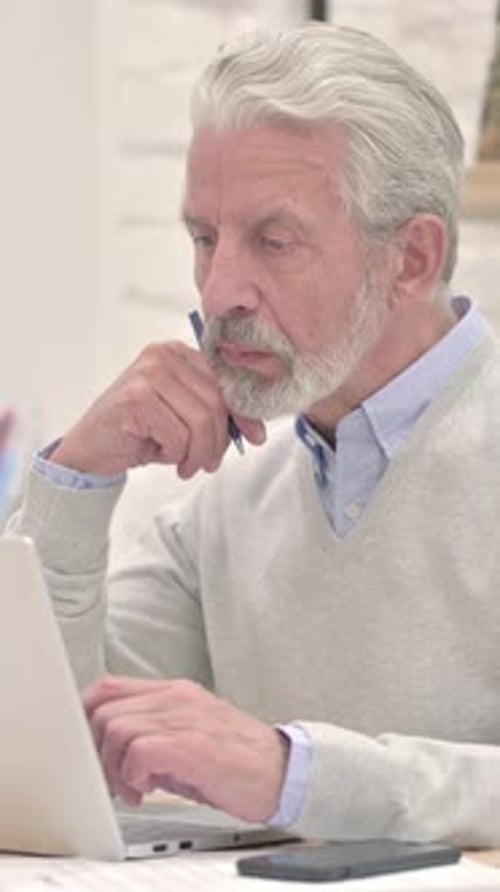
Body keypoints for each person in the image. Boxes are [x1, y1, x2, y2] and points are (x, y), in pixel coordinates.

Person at [8, 22, 500, 848]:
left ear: (411, 259)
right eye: (204, 238)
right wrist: (77, 479)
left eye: (274, 242)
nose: (220, 286)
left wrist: (292, 773)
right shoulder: (230, 502)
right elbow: (48, 744)